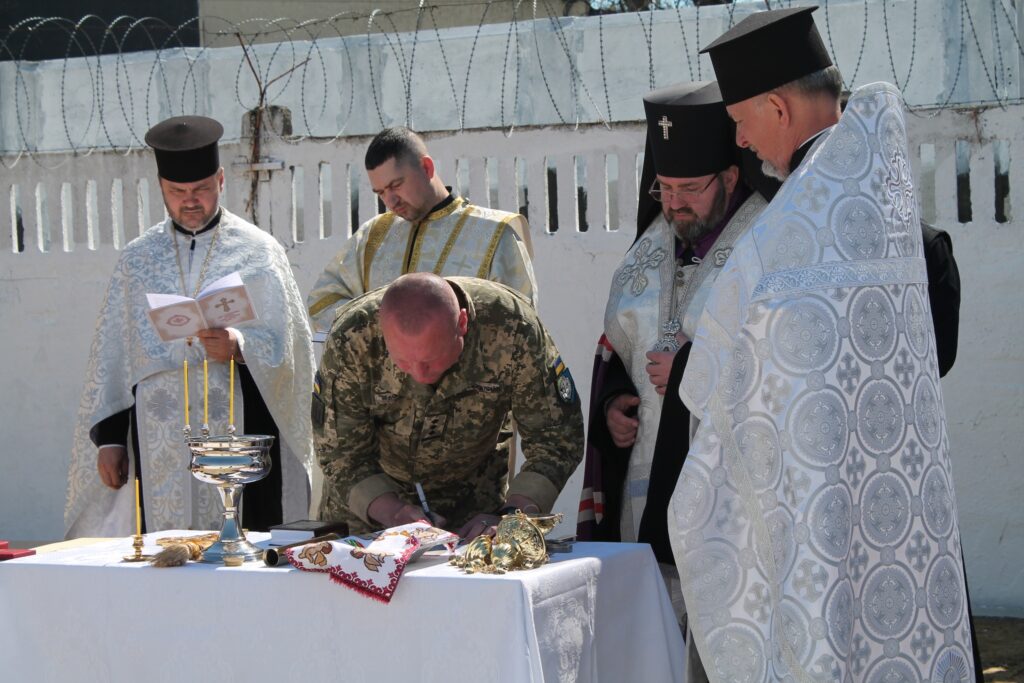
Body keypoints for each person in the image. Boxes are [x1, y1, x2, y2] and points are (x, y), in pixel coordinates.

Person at [666, 8, 978, 680]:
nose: (740, 140)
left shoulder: (775, 249)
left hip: (814, 534)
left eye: (741, 119)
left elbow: (720, 380)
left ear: (777, 106)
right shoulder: (908, 234)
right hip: (909, 541)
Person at [65, 116, 314, 537]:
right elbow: (113, 354)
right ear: (161, 188)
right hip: (160, 434)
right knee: (165, 549)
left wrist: (239, 346)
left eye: (200, 189)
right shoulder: (137, 259)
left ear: (220, 180)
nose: (190, 201)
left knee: (240, 550)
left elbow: (294, 347)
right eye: (177, 192)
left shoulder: (259, 251)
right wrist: (109, 440)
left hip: (241, 424)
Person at [579, 82, 765, 560]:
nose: (674, 204)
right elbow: (617, 346)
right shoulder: (649, 247)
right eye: (665, 188)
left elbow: (778, 351)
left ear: (728, 177)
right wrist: (613, 404)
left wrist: (693, 362)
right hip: (643, 486)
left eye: (689, 189)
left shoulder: (766, 240)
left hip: (729, 485)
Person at [314, 273, 583, 539]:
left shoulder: (512, 328)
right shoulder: (353, 337)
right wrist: (393, 513)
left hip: (478, 516)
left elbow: (556, 439)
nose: (419, 375)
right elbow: (339, 452)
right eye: (404, 362)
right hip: (367, 512)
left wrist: (514, 515)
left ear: (462, 323)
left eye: (432, 359)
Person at [306, 127, 537, 334]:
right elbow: (322, 301)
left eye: (396, 185)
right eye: (380, 192)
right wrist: (386, 326)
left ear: (426, 167)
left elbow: (519, 327)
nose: (391, 200)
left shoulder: (495, 233)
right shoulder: (373, 236)